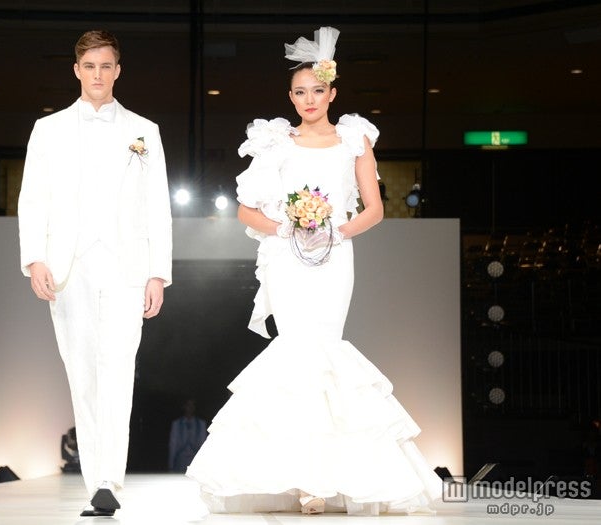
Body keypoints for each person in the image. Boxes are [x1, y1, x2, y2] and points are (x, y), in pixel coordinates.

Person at [186, 27, 442, 515]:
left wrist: (336, 232)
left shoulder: (353, 140)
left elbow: (374, 209)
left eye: (317, 90)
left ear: (332, 93)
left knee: (325, 352)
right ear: (290, 97)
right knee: (295, 354)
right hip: (287, 259)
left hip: (334, 257)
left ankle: (327, 479)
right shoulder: (274, 142)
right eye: (300, 92)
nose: (309, 99)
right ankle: (305, 482)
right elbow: (245, 210)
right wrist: (285, 228)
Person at [17, 29, 172, 517]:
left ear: (118, 70)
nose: (98, 74)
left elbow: (158, 205)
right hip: (69, 265)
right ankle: (95, 480)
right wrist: (34, 259)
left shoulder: (144, 130)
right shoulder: (48, 129)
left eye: (106, 66)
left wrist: (158, 273)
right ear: (76, 70)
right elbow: (32, 198)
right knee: (81, 373)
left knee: (119, 369)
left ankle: (109, 480)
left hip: (127, 265)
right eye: (90, 66)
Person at [168, 399, 208, 473]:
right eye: (188, 405)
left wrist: (204, 463)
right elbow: (173, 444)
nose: (190, 408)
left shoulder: (201, 423)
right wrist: (171, 464)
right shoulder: (176, 424)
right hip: (180, 460)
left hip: (195, 459)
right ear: (184, 407)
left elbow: (203, 444)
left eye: (192, 405)